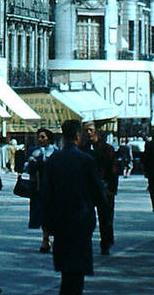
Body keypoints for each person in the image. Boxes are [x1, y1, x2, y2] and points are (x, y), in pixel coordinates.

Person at [41, 120, 106, 295]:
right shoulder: (86, 159)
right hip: (81, 219)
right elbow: (98, 191)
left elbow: (46, 193)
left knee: (65, 266)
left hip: (60, 219)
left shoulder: (54, 159)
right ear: (78, 135)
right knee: (77, 267)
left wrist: (46, 227)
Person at [83, 122, 118, 254]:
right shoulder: (83, 149)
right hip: (88, 189)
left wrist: (111, 189)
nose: (88, 133)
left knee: (106, 219)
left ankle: (106, 243)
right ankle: (86, 241)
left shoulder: (107, 148)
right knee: (86, 217)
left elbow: (114, 169)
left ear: (96, 131)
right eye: (86, 130)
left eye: (90, 130)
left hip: (104, 188)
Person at [25, 127, 57, 252]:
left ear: (49, 138)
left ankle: (52, 238)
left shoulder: (55, 152)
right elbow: (27, 168)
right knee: (42, 214)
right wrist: (32, 163)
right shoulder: (34, 151)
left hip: (53, 188)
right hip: (38, 187)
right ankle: (45, 239)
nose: (40, 139)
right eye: (39, 136)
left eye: (43, 137)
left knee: (53, 214)